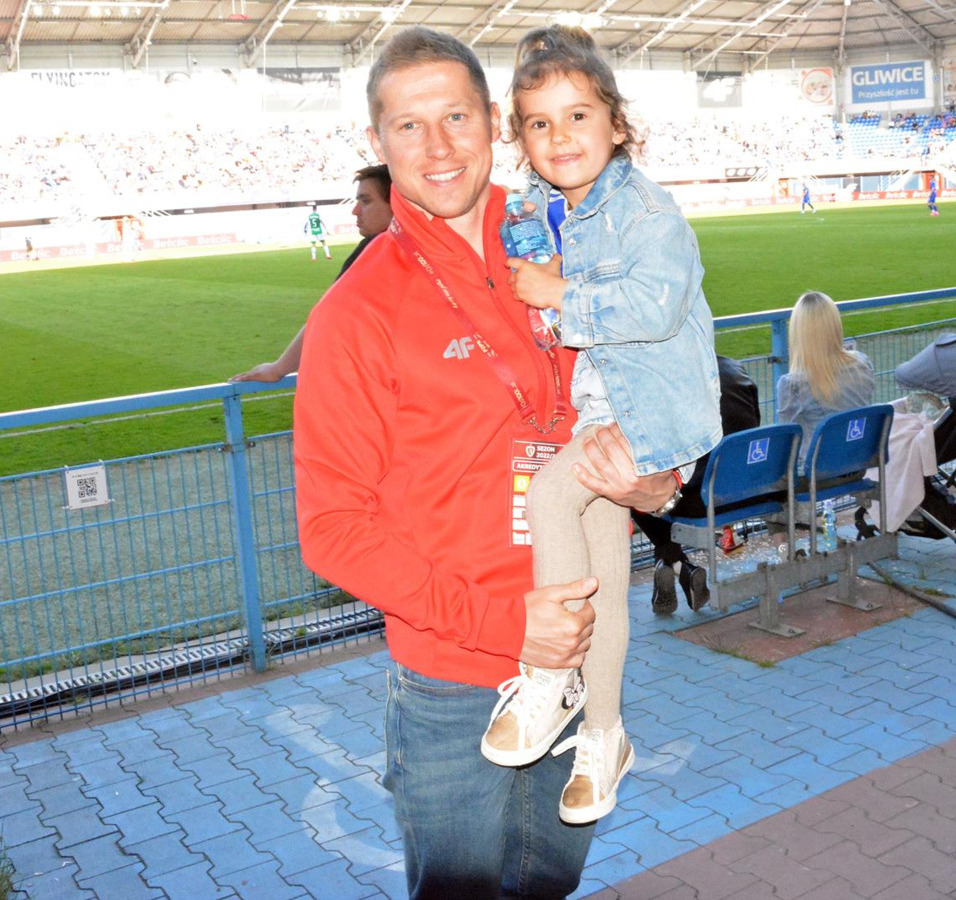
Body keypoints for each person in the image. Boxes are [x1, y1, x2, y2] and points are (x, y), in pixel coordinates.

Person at [293, 26, 680, 899]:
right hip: (453, 684)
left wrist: (663, 479)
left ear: (495, 122)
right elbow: (331, 530)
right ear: (378, 140)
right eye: (409, 125)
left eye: (457, 117)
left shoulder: (578, 241)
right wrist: (509, 626)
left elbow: (662, 379)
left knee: (549, 883)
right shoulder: (357, 312)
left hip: (582, 656)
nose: (437, 147)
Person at [487, 25, 720, 824]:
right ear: (521, 139)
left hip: (644, 410)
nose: (560, 136)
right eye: (539, 123)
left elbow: (654, 310)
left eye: (578, 116)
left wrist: (558, 294)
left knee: (551, 496)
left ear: (618, 125)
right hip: (610, 406)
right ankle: (605, 735)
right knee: (605, 588)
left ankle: (552, 680)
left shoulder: (645, 210)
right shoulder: (570, 210)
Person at [232, 165, 392, 383]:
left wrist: (279, 368)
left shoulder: (375, 249)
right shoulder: (427, 246)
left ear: (397, 204)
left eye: (365, 201)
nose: (355, 211)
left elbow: (330, 314)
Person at [636, 355, 760, 615]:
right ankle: (676, 567)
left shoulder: (674, 379)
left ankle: (675, 562)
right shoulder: (735, 368)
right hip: (749, 490)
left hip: (705, 499)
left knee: (634, 493)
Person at [776, 290, 877, 456]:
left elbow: (784, 442)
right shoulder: (862, 364)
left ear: (797, 332)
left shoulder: (792, 384)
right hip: (859, 460)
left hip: (816, 468)